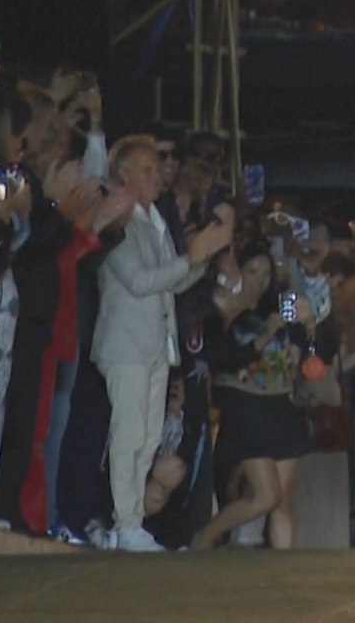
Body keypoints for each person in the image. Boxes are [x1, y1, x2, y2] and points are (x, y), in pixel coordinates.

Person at [91, 138, 232, 551]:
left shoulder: (154, 220)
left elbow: (170, 283)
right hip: (125, 344)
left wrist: (201, 258)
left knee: (149, 438)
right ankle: (125, 521)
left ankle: (131, 522)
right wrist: (192, 258)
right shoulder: (117, 217)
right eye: (147, 170)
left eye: (158, 170)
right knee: (129, 433)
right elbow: (138, 281)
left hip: (155, 345)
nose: (157, 177)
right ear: (123, 174)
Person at [190, 241, 317, 550]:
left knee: (282, 500)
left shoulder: (277, 307)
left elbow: (309, 353)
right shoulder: (222, 311)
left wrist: (309, 325)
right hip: (245, 405)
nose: (260, 279)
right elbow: (222, 358)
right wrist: (265, 336)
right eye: (252, 271)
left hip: (280, 402)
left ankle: (283, 568)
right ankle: (205, 537)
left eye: (266, 273)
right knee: (266, 496)